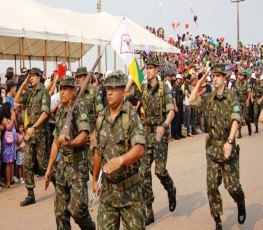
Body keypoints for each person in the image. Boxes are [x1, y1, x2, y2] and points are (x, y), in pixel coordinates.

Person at [189, 64, 246, 230]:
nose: (215, 79)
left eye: (218, 76)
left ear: (224, 78)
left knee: (232, 187)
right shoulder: (209, 97)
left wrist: (229, 141)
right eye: (213, 76)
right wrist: (200, 81)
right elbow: (192, 100)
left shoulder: (231, 97)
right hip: (212, 150)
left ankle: (240, 201)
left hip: (228, 149)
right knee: (212, 186)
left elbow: (236, 119)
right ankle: (218, 220)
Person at [93, 70, 146, 229]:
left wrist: (121, 160)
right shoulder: (101, 117)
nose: (109, 92)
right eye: (107, 88)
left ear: (123, 90)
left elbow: (139, 149)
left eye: (114, 89)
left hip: (130, 193)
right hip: (108, 193)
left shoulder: (131, 116)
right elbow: (97, 152)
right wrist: (95, 180)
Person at [45, 76, 95, 230]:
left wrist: (70, 143)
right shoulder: (60, 111)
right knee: (60, 214)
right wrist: (48, 169)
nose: (62, 92)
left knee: (78, 210)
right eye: (61, 88)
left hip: (77, 167)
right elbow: (55, 142)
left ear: (74, 91)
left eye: (66, 88)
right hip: (62, 168)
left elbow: (84, 134)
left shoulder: (80, 108)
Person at [139, 56, 176, 225]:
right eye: (147, 68)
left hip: (159, 135)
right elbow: (126, 92)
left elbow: (171, 111)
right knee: (143, 173)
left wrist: (164, 126)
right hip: (146, 135)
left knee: (160, 171)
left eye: (151, 68)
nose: (148, 70)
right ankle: (149, 210)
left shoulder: (163, 89)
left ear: (157, 70)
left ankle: (171, 189)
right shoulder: (144, 88)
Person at [14, 67, 50, 206]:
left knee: (43, 165)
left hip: (39, 134)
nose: (32, 78)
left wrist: (34, 128)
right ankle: (30, 194)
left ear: (40, 77)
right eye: (31, 76)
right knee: (27, 164)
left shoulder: (44, 92)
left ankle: (60, 185)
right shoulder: (30, 93)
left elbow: (45, 113)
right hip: (30, 135)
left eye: (34, 75)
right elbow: (16, 100)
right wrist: (23, 84)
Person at [75, 67, 103, 176]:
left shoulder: (94, 92)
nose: (78, 79)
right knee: (80, 172)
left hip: (91, 134)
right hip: (78, 135)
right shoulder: (75, 93)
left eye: (81, 77)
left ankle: (100, 189)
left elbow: (100, 113)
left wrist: (95, 133)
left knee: (94, 168)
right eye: (77, 77)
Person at [0, 102, 17, 188]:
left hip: (12, 142)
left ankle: (11, 181)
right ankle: (8, 182)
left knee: (12, 161)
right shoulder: (4, 118)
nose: (12, 110)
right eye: (10, 108)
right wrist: (13, 117)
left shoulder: (10, 117)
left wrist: (14, 117)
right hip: (7, 143)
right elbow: (8, 127)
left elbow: (16, 126)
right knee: (8, 162)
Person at [234, 70, 252, 138]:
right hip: (238, 103)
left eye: (240, 75)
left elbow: (249, 92)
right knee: (238, 117)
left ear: (244, 76)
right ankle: (239, 133)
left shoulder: (247, 83)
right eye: (238, 75)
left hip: (244, 103)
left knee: (246, 117)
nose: (239, 76)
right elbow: (234, 93)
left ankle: (249, 126)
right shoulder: (236, 83)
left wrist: (248, 100)